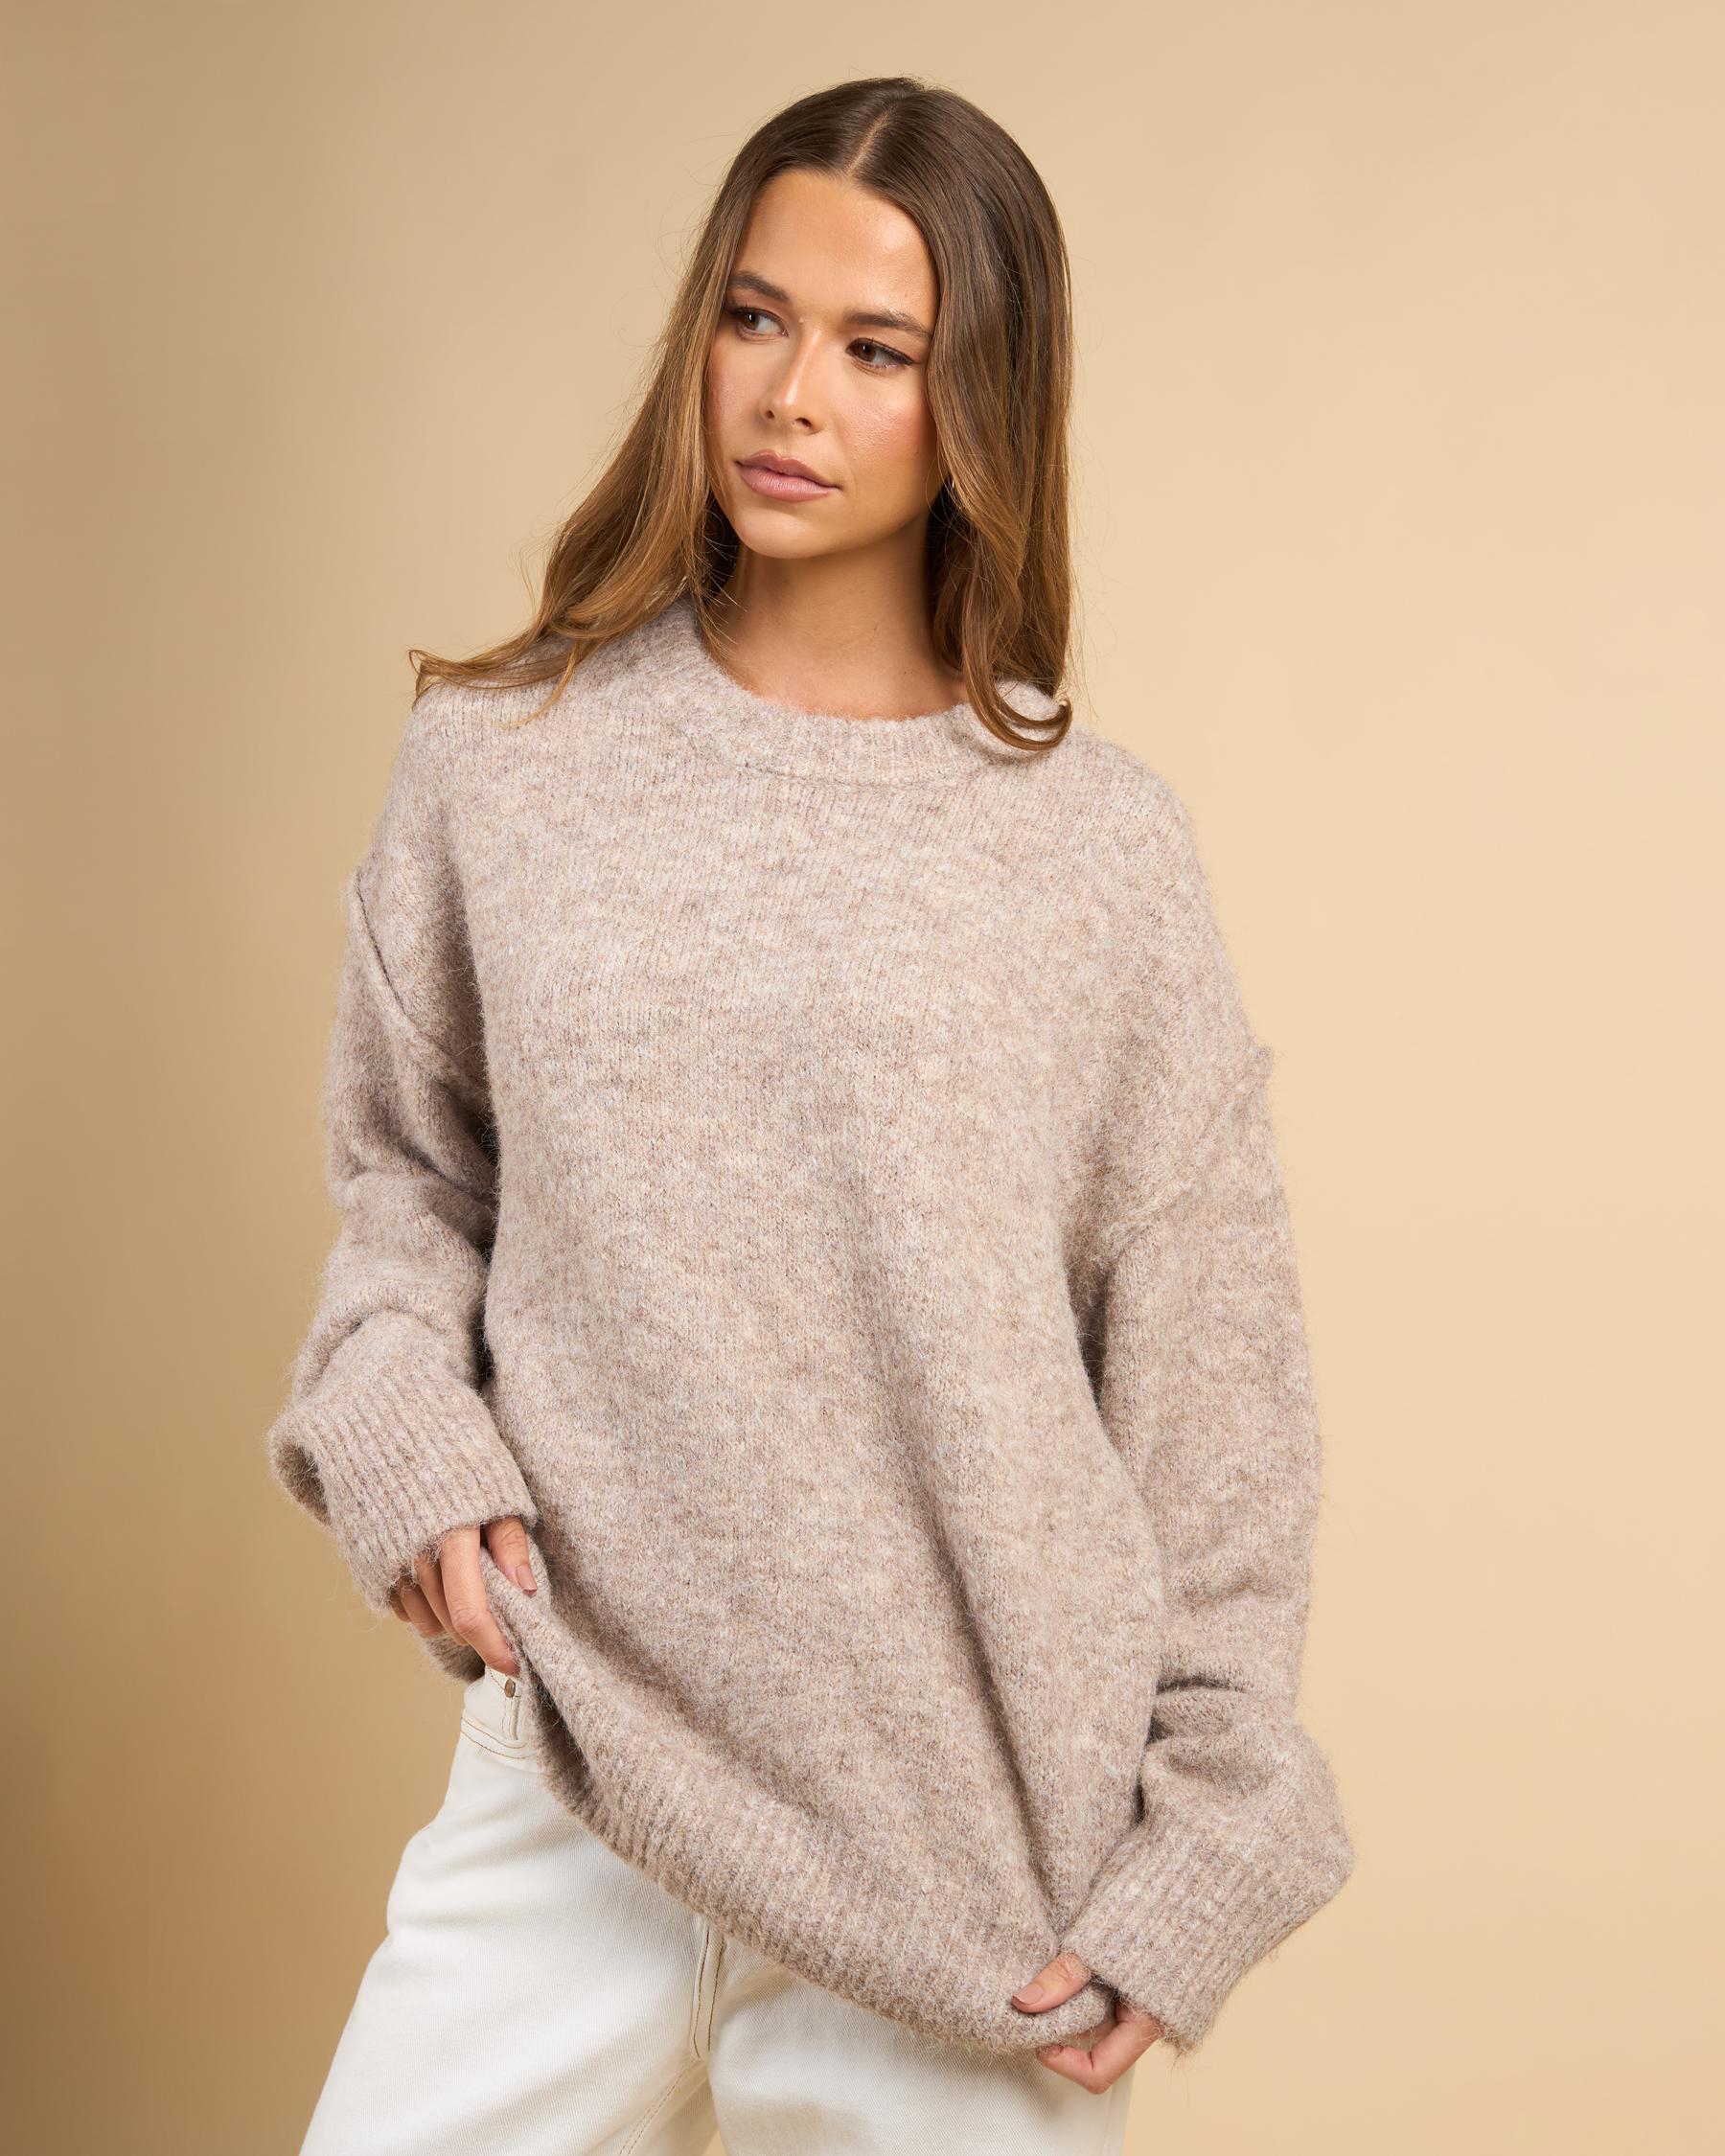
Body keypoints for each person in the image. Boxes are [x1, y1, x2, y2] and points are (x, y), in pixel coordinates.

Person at [266, 74, 1355, 2156]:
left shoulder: (1099, 858)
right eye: (756, 318)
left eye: (879, 350)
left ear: (983, 404)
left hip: (966, 1861)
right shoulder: (510, 761)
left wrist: (1209, 1837)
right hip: (572, 1763)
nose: (790, 395)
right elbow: (413, 1179)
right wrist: (404, 1433)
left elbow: (1212, 1383)